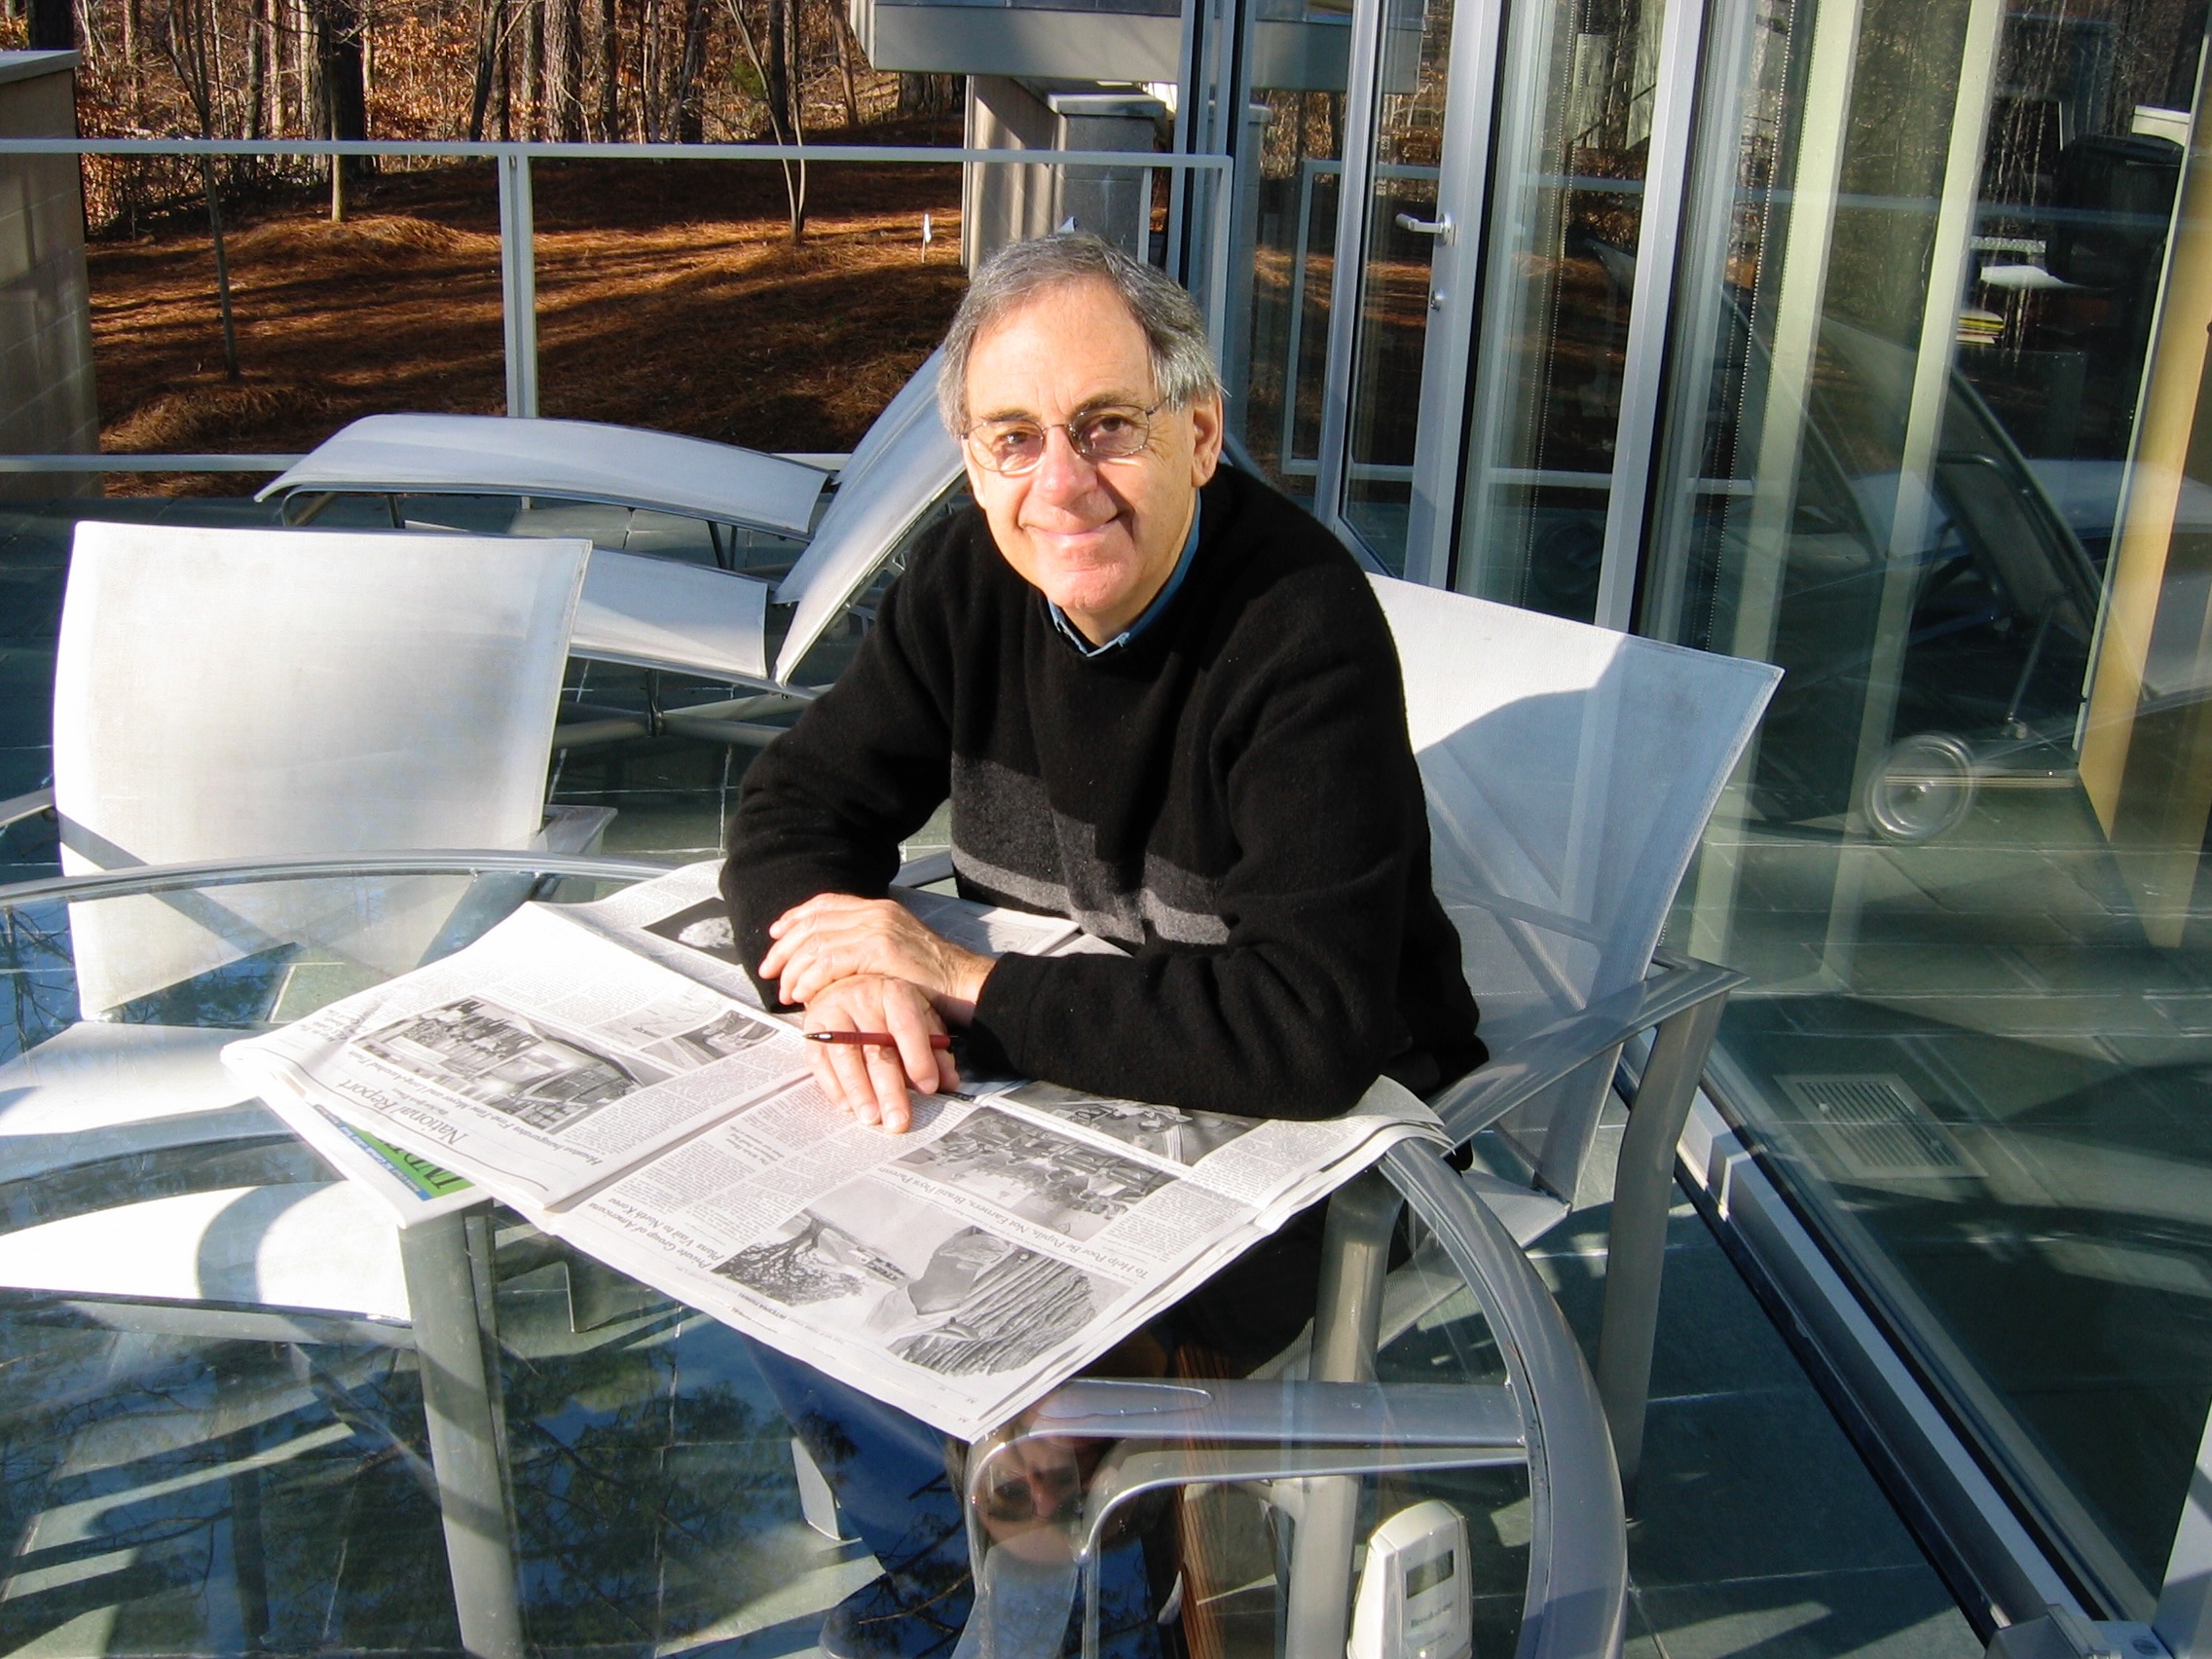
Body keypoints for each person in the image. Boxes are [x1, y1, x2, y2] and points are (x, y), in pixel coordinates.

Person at [720, 232, 1481, 1659]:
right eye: (1013, 439)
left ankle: (1101, 1613)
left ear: (1199, 432)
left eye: (1107, 427)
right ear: (972, 464)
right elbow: (793, 812)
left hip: (1315, 1145)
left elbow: (1307, 1029)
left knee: (1027, 1371)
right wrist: (858, 978)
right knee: (785, 1252)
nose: (1059, 484)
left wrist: (960, 980)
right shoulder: (972, 576)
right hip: (1077, 1088)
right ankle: (949, 1576)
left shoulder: (1299, 628)